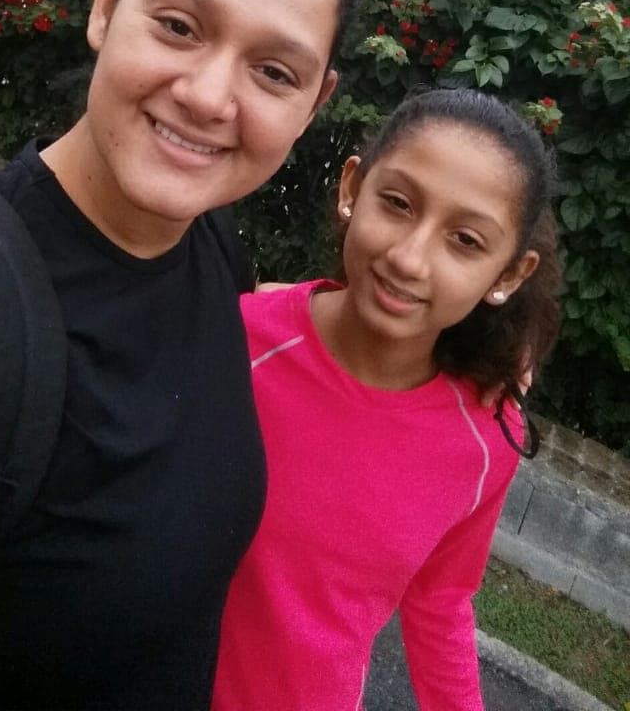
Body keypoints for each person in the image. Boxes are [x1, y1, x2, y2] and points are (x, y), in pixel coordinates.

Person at [0, 0, 360, 711]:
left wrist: (472, 352)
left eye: (274, 72)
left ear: (314, 103)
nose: (208, 96)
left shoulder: (208, 245)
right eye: (179, 26)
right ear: (108, 5)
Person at [213, 88, 561, 711]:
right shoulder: (231, 341)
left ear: (509, 274)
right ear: (353, 188)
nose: (409, 258)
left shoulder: (486, 438)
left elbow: (441, 599)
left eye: (465, 240)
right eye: (397, 203)